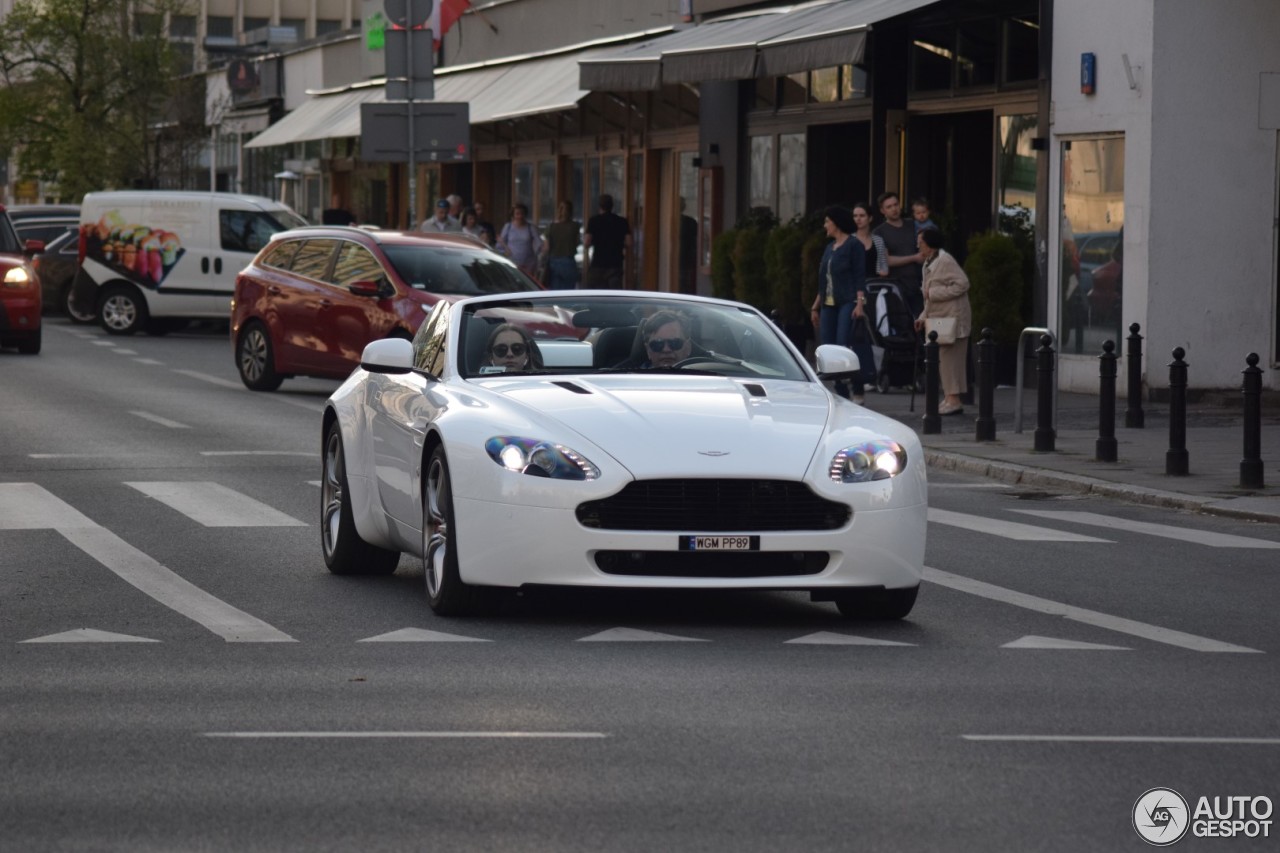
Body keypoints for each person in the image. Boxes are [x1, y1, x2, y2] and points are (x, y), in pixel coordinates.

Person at [809, 206, 873, 403]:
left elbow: (859, 277)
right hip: (829, 303)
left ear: (836, 223)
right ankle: (841, 392)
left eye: (827, 221)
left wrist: (859, 304)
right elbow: (824, 281)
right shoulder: (830, 248)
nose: (825, 225)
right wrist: (815, 306)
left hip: (848, 301)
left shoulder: (854, 245)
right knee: (828, 347)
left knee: (844, 344)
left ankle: (857, 386)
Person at [914, 227, 972, 416]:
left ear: (929, 244)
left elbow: (963, 283)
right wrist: (923, 317)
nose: (918, 245)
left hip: (953, 318)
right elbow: (928, 298)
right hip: (939, 318)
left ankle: (953, 400)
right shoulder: (928, 263)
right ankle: (949, 398)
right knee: (942, 359)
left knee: (950, 359)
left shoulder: (945, 260)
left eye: (920, 242)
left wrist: (934, 293)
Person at [874, 191, 925, 320]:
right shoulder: (879, 232)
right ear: (882, 210)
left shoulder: (913, 224)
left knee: (921, 325)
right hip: (896, 287)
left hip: (919, 285)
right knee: (901, 325)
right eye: (889, 207)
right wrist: (914, 257)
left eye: (895, 204)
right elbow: (886, 261)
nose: (894, 209)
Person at [615, 310, 695, 369]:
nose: (666, 350)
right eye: (657, 344)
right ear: (648, 350)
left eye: (674, 343)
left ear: (688, 348)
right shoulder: (630, 380)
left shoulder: (704, 377)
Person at [583, 193, 632, 288]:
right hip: (615, 263)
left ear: (599, 206)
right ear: (612, 206)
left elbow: (587, 242)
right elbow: (629, 242)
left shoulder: (594, 221)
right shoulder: (622, 221)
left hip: (598, 263)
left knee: (596, 295)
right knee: (614, 295)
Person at [497, 203, 543, 281]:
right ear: (513, 215)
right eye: (517, 214)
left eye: (522, 213)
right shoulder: (508, 227)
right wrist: (504, 252)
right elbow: (499, 244)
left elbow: (539, 243)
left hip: (529, 264)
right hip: (512, 263)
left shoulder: (531, 228)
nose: (520, 216)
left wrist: (539, 256)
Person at [541, 200, 581, 290]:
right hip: (569, 261)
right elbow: (577, 242)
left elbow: (546, 248)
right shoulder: (575, 226)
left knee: (555, 291)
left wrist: (542, 259)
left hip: (554, 261)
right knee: (568, 291)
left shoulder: (551, 226)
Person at [852, 202, 889, 280]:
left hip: (874, 285)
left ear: (870, 218)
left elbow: (884, 265)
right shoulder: (849, 240)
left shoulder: (878, 240)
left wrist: (883, 272)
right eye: (855, 216)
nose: (858, 219)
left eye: (862, 216)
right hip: (853, 286)